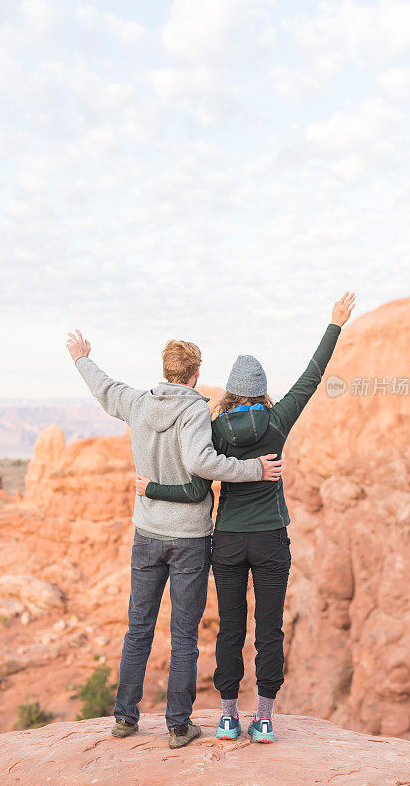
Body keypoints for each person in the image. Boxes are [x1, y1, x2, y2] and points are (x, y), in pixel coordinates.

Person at [136, 291, 356, 743]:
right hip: (272, 538)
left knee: (231, 629)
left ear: (230, 391)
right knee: (269, 628)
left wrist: (153, 488)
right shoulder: (278, 421)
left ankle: (228, 718)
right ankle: (266, 720)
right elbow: (311, 377)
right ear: (262, 390)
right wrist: (334, 324)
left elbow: (198, 484)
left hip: (229, 541)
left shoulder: (213, 429)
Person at [65, 332, 282, 749]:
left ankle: (125, 719)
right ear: (195, 374)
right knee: (183, 634)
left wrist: (82, 358)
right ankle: (178, 727)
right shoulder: (195, 410)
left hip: (147, 534)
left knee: (138, 628)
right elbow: (202, 462)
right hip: (189, 539)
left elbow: (105, 389)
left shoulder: (138, 402)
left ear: (165, 370)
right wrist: (255, 469)